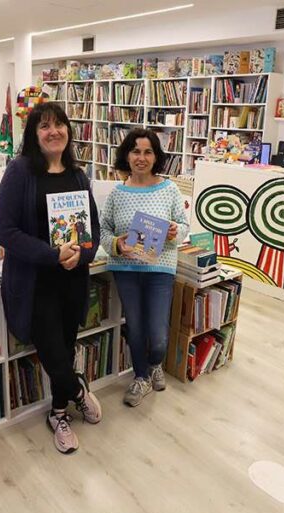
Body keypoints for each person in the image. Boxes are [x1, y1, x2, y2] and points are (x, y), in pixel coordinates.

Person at [0, 102, 102, 454]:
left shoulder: (78, 175)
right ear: (33, 134)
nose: (53, 131)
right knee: (54, 352)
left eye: (59, 124)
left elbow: (92, 229)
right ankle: (77, 390)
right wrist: (52, 254)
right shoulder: (20, 172)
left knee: (65, 347)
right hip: (35, 283)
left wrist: (81, 255)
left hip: (72, 280)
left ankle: (58, 414)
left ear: (68, 130)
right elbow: (4, 231)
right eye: (45, 126)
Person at [101, 129, 189, 407]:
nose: (141, 157)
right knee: (136, 328)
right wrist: (116, 243)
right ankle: (141, 377)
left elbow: (183, 225)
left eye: (148, 151)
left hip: (160, 269)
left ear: (156, 156)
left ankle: (155, 364)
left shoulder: (169, 189)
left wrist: (176, 231)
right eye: (136, 151)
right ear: (127, 155)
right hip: (126, 270)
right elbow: (104, 231)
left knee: (159, 335)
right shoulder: (117, 193)